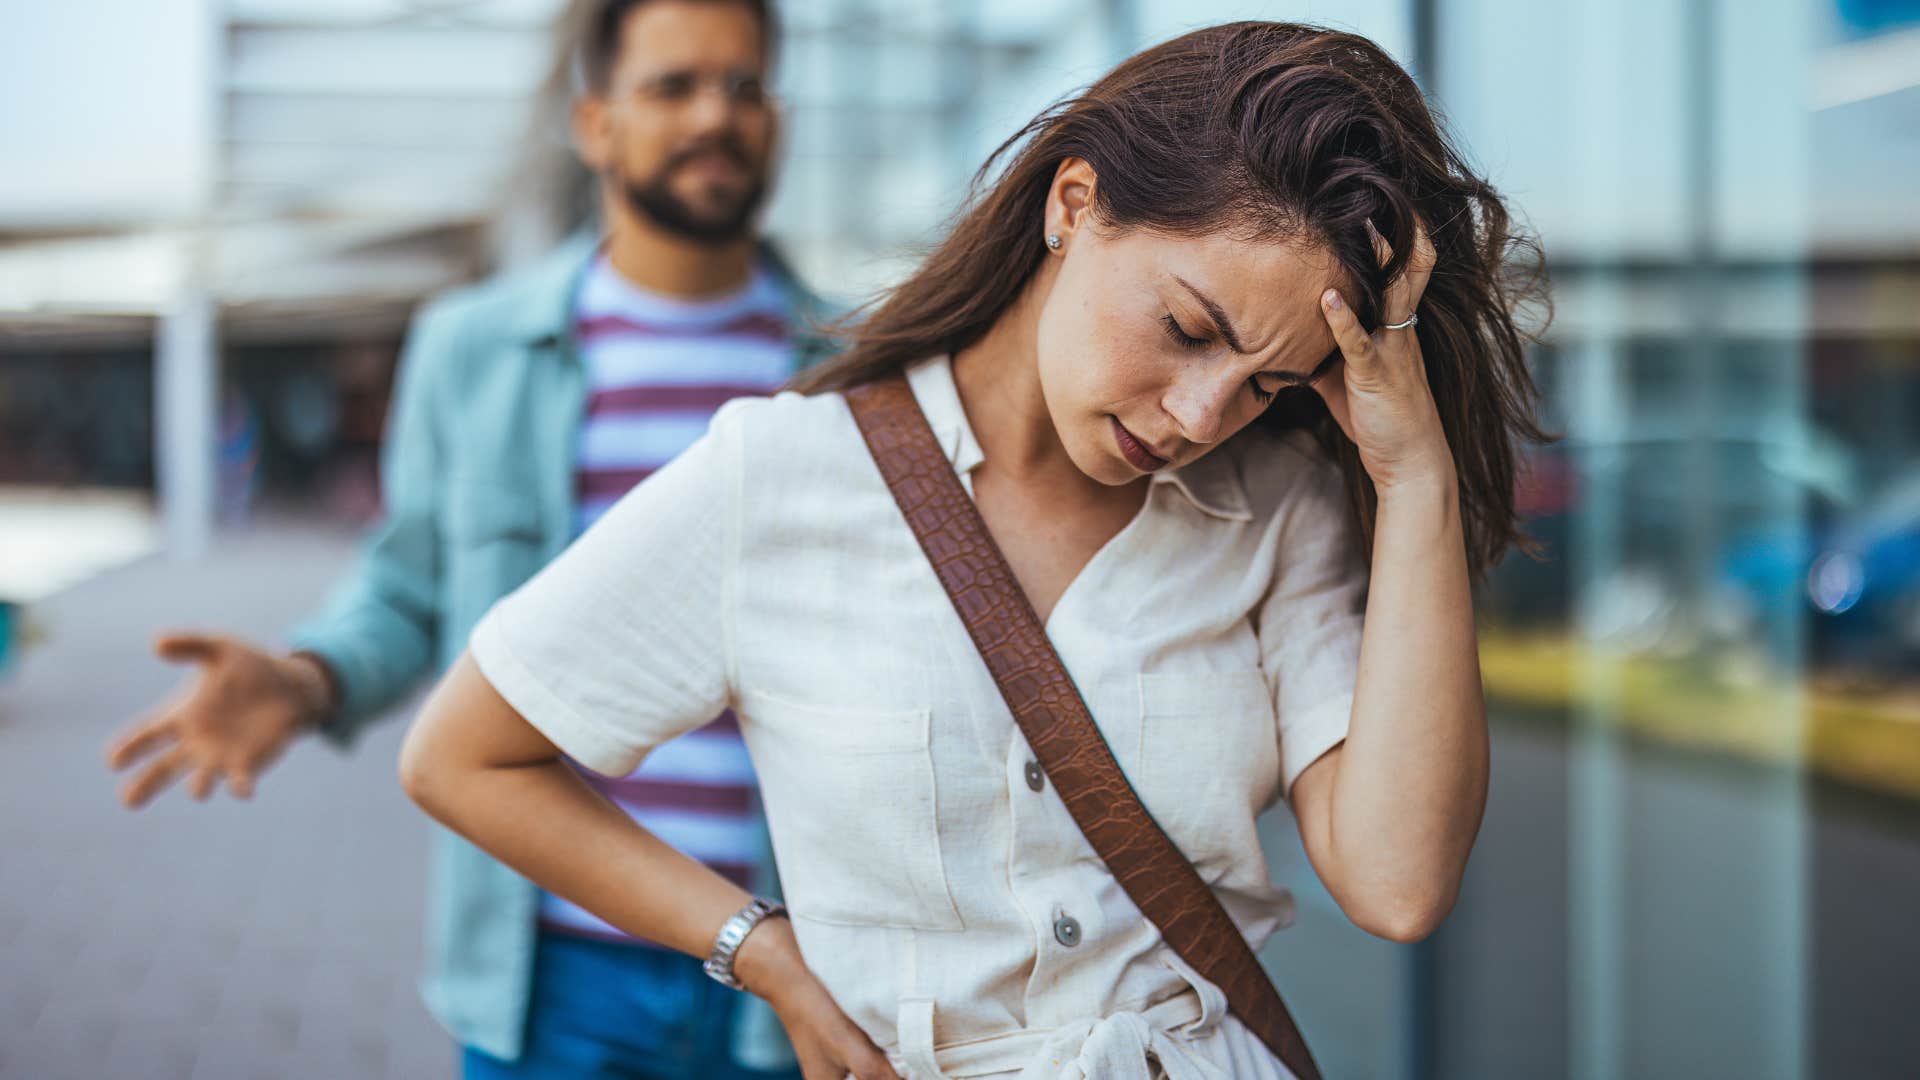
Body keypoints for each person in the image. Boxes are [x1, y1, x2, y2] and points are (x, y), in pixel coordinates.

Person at [397, 20, 1548, 1080]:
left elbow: (1398, 883)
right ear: (1075, 203)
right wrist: (757, 947)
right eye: (1189, 330)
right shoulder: (786, 474)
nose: (1201, 415)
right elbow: (463, 756)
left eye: (1271, 383)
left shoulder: (1282, 506)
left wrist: (1414, 476)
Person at [103, 1, 828, 1075]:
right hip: (550, 963)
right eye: (673, 86)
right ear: (594, 123)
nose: (714, 114)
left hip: (809, 964)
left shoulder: (857, 368)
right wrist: (306, 681)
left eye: (744, 86)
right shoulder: (472, 350)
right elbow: (410, 590)